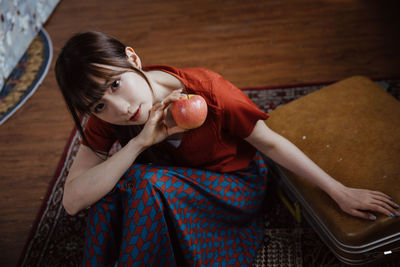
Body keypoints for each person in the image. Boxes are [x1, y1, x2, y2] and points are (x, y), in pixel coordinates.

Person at [55, 31, 399, 266]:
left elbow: (271, 142)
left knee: (143, 181)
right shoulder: (110, 114)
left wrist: (340, 192)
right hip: (169, 191)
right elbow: (73, 201)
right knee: (110, 187)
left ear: (132, 58)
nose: (119, 107)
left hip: (232, 188)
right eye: (99, 105)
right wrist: (139, 143)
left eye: (116, 84)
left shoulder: (209, 91)